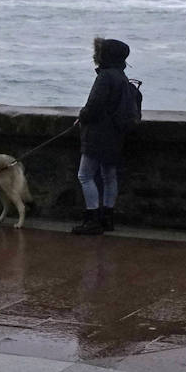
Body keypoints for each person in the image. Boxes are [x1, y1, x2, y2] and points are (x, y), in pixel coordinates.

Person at [72, 38, 133, 236]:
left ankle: (92, 218)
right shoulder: (121, 76)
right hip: (115, 134)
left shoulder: (105, 77)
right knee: (109, 176)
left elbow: (94, 107)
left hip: (99, 134)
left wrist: (82, 115)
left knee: (85, 175)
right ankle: (107, 216)